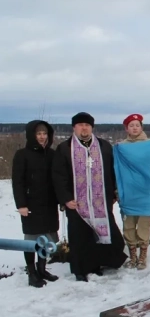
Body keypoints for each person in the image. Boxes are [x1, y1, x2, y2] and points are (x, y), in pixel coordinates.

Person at [52, 112, 127, 281]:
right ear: (74, 128)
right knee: (80, 237)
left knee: (102, 234)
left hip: (100, 201)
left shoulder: (103, 146)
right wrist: (65, 198)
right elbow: (58, 176)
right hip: (76, 202)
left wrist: (113, 192)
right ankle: (80, 269)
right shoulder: (65, 148)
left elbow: (112, 171)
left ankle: (96, 265)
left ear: (92, 127)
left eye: (87, 125)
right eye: (80, 125)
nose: (84, 128)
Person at [12, 120, 60, 287]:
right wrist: (21, 205)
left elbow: (57, 180)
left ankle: (42, 268)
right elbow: (17, 182)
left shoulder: (52, 154)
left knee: (46, 238)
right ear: (32, 135)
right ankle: (32, 273)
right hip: (31, 204)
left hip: (49, 204)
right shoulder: (22, 155)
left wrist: (61, 200)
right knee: (31, 239)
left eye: (44, 133)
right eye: (38, 134)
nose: (42, 137)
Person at [119, 114, 150, 270]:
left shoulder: (149, 145)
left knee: (143, 224)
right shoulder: (121, 147)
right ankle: (133, 255)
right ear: (127, 128)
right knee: (129, 224)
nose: (134, 128)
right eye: (131, 125)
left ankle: (143, 256)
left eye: (137, 125)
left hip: (144, 191)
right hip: (128, 192)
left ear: (141, 127)